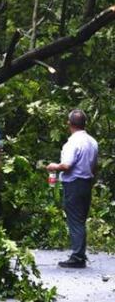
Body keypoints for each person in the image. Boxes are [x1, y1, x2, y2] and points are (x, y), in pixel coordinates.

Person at [46, 109, 98, 268]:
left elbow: (67, 165)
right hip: (87, 182)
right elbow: (95, 165)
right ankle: (80, 253)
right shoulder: (92, 142)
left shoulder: (72, 142)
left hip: (74, 183)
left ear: (69, 123)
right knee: (80, 219)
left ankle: (77, 257)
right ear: (84, 123)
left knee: (75, 220)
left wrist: (54, 166)